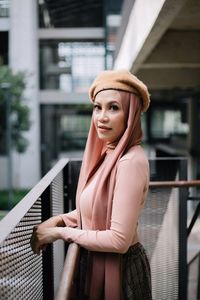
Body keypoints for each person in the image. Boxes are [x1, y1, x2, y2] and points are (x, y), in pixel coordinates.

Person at [31, 69, 152, 300]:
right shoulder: (109, 154)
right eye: (98, 107)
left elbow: (118, 241)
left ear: (131, 114)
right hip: (99, 263)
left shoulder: (129, 161)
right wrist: (60, 219)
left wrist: (58, 233)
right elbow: (97, 208)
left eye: (114, 108)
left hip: (122, 270)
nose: (102, 117)